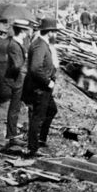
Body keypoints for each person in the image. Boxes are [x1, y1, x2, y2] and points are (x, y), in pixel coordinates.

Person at [22, 18, 60, 158]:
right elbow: (34, 68)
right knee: (37, 117)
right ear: (49, 32)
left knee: (51, 110)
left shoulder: (42, 44)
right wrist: (47, 81)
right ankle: (32, 149)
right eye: (54, 31)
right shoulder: (39, 45)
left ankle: (41, 139)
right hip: (40, 88)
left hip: (44, 88)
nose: (55, 34)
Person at [4, 19, 32, 150]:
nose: (28, 32)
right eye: (26, 30)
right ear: (22, 31)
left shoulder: (18, 43)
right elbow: (16, 65)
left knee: (17, 108)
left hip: (20, 79)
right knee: (14, 109)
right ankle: (12, 137)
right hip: (17, 80)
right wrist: (25, 65)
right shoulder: (14, 44)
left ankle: (15, 135)